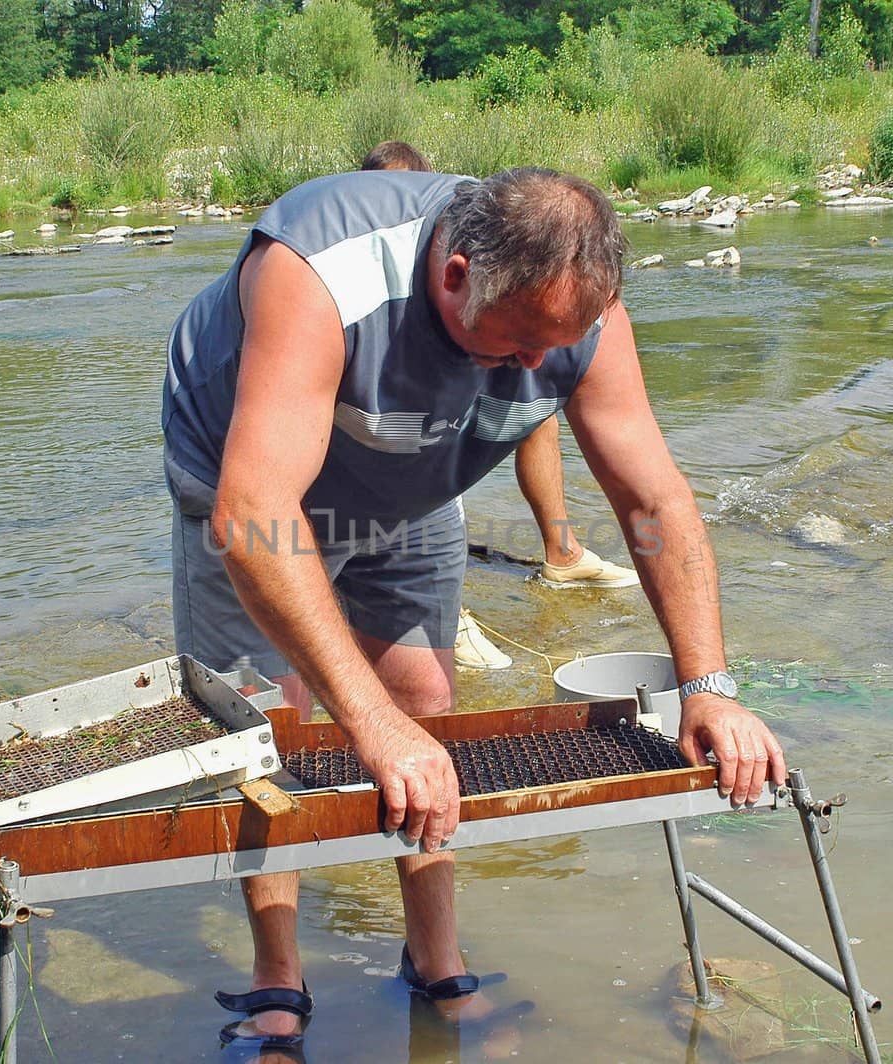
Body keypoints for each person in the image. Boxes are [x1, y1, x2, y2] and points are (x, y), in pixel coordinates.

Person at [162, 166, 786, 1054]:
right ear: (455, 274)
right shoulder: (323, 269)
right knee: (275, 728)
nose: (538, 369)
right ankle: (277, 979)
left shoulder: (581, 317)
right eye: (520, 341)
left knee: (425, 703)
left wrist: (709, 684)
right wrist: (364, 721)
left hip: (411, 486)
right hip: (245, 479)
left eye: (555, 346)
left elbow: (653, 502)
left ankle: (435, 956)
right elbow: (257, 514)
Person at [358, 141, 640, 672]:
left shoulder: (479, 235)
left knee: (534, 412)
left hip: (455, 396)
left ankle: (563, 553)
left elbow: (650, 494)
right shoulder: (361, 262)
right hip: (381, 442)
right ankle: (439, 608)